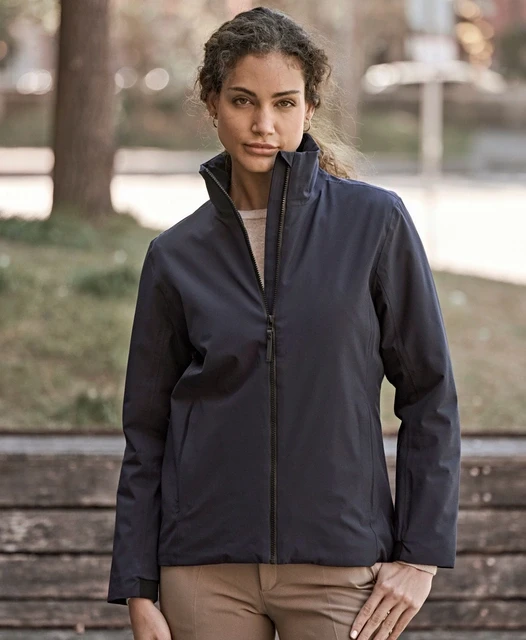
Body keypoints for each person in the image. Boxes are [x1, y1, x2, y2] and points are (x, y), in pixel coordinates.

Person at [107, 7, 461, 640]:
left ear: (310, 108)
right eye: (243, 100)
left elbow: (429, 394)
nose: (263, 124)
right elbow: (147, 429)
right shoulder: (175, 255)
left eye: (284, 103)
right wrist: (137, 582)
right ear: (212, 103)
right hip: (204, 568)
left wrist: (419, 555)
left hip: (340, 566)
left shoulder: (374, 225)